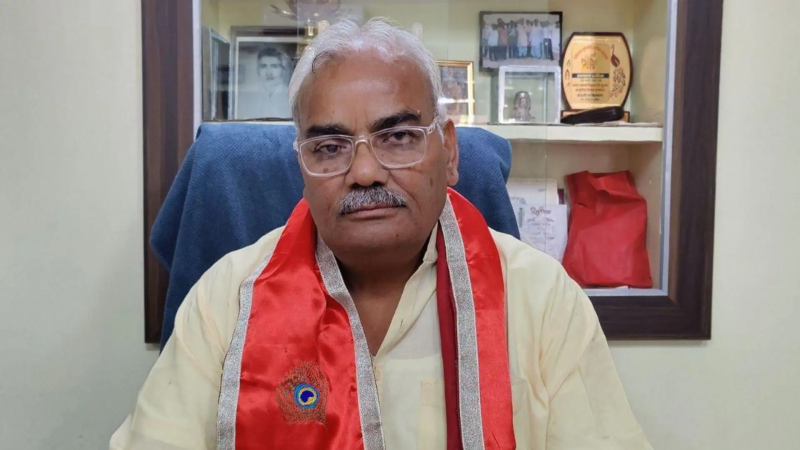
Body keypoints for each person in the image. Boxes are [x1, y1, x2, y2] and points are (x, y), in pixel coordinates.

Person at [110, 18, 652, 450]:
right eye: (330, 147)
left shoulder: (542, 300)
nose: (365, 172)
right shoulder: (226, 300)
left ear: (450, 152)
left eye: (397, 137)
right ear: (302, 167)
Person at [236, 46, 292, 120]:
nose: (269, 72)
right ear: (257, 70)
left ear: (282, 70)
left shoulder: (291, 96)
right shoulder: (246, 97)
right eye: (263, 66)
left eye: (274, 66)